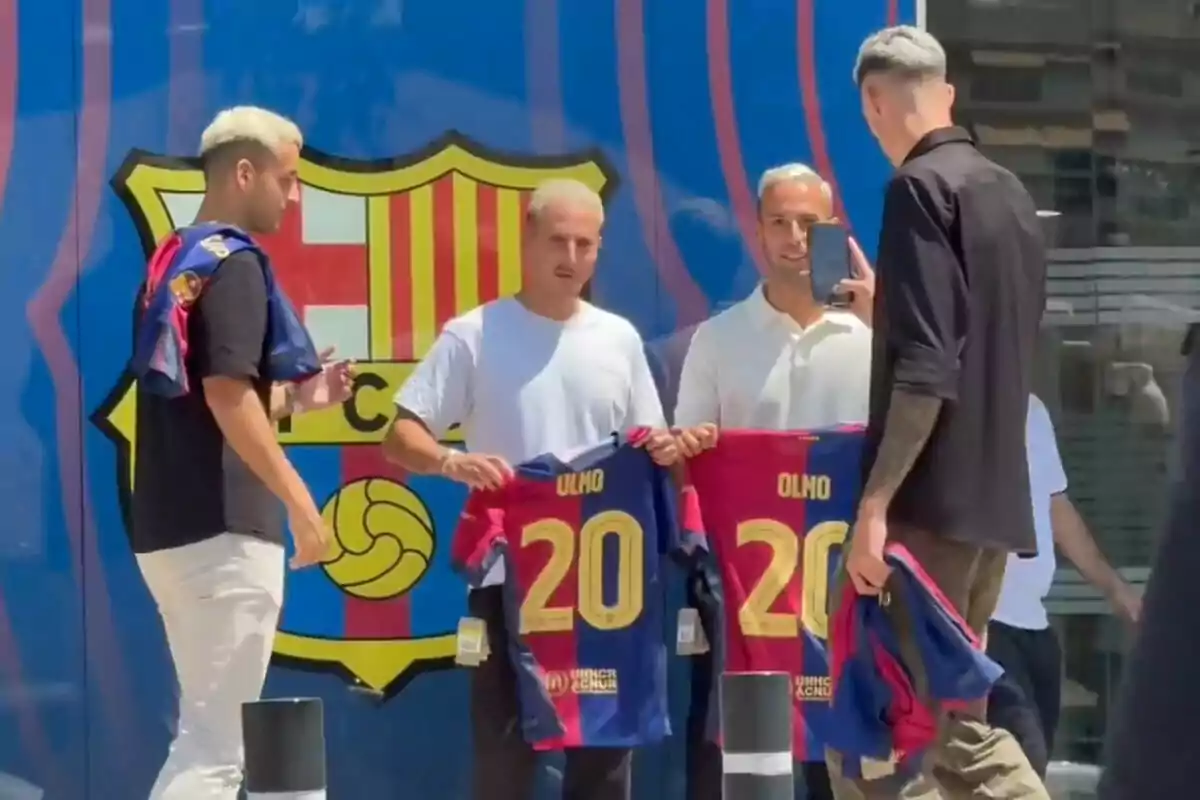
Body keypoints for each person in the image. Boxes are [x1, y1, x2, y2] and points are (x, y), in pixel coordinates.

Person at [382, 178, 678, 800]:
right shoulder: (476, 333)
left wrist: (674, 448)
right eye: (557, 241)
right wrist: (448, 461)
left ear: (600, 249)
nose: (571, 258)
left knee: (602, 758)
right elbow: (399, 435)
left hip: (603, 586)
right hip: (508, 581)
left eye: (585, 244)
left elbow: (647, 444)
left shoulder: (619, 339)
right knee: (506, 755)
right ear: (526, 241)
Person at [828, 26, 1049, 798]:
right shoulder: (1010, 194)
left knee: (886, 733)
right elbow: (983, 343)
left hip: (928, 509)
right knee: (950, 731)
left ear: (875, 101)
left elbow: (928, 368)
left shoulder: (916, 190)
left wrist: (876, 507)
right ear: (946, 93)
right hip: (992, 506)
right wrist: (887, 313)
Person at [131, 106, 351, 799]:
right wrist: (302, 502)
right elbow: (228, 396)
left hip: (174, 528)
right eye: (287, 180)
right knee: (213, 752)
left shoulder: (176, 261)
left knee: (206, 736)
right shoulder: (238, 263)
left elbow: (212, 397)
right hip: (224, 533)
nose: (293, 196)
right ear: (244, 171)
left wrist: (301, 402)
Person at [672, 163, 875, 800]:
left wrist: (889, 324)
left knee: (841, 762)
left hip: (846, 592)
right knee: (749, 767)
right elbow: (683, 459)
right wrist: (691, 448)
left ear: (832, 232)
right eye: (779, 222)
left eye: (808, 224)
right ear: (757, 232)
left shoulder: (875, 339)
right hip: (746, 599)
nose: (793, 237)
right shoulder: (718, 340)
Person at [988, 394, 1141, 779]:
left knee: (1030, 768)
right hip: (986, 621)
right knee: (1017, 768)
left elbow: (1056, 507)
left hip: (1035, 628)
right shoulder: (963, 402)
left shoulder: (1033, 410)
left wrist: (1114, 587)